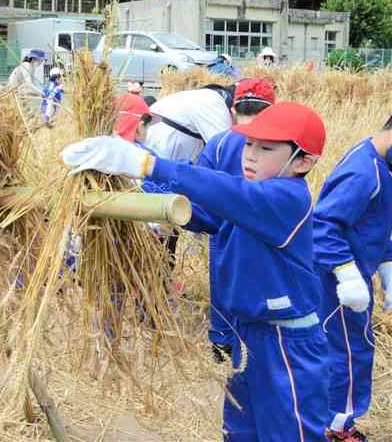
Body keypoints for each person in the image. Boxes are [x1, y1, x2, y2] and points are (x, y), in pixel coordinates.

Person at [62, 101, 330, 441]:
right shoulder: (249, 202)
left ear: (303, 162)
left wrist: (147, 164)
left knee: (289, 434)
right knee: (241, 430)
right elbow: (202, 211)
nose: (250, 155)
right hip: (247, 335)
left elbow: (227, 192)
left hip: (287, 342)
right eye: (248, 144)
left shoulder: (286, 199)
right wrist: (129, 184)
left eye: (266, 148)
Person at [312, 117, 392, 442]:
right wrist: (346, 274)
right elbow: (323, 225)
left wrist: (387, 266)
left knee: (348, 346)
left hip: (355, 271)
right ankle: (336, 426)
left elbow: (375, 222)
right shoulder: (364, 172)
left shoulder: (380, 165)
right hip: (339, 279)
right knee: (347, 351)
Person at [195, 78, 276, 362]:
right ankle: (256, 352)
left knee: (223, 288)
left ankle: (223, 349)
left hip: (224, 236)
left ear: (233, 110)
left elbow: (200, 199)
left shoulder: (218, 145)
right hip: (265, 237)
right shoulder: (278, 147)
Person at [145, 84, 235, 163]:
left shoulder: (206, 97)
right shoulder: (215, 103)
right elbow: (225, 151)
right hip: (164, 140)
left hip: (163, 137)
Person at [7, 49, 46, 116]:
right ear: (34, 59)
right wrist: (40, 92)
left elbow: (33, 83)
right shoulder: (26, 65)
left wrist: (41, 90)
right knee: (18, 103)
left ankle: (28, 114)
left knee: (24, 100)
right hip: (13, 87)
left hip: (20, 87)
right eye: (41, 60)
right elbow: (29, 84)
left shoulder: (32, 67)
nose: (41, 62)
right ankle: (27, 115)